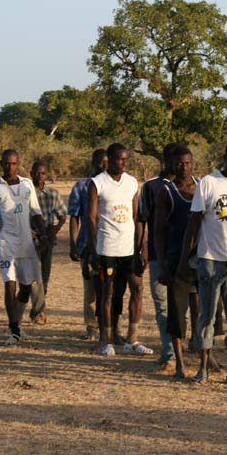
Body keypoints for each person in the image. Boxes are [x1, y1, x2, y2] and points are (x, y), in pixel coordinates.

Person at [180, 140, 227, 384]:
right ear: (225, 156)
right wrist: (186, 256)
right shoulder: (208, 182)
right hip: (210, 258)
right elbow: (195, 221)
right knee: (207, 315)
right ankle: (203, 368)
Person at [87, 143, 151, 356]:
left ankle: (132, 338)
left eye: (126, 160)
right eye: (120, 159)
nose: (123, 164)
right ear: (110, 159)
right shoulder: (97, 183)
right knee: (108, 293)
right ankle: (105, 338)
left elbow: (136, 216)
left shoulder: (132, 182)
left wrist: (141, 247)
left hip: (129, 248)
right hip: (107, 248)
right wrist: (94, 249)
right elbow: (91, 217)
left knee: (137, 289)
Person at [0, 149, 47, 345]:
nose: (9, 167)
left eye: (13, 164)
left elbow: (36, 212)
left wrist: (44, 235)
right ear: (0, 163)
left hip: (26, 243)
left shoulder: (27, 184)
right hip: (6, 243)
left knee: (27, 287)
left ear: (18, 164)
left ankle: (17, 324)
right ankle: (13, 328)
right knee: (9, 284)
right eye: (6, 163)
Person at [68, 149, 128, 341]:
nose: (104, 165)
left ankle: (113, 328)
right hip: (89, 244)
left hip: (114, 245)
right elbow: (75, 217)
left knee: (113, 290)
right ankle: (92, 328)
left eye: (106, 161)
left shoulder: (120, 184)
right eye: (100, 162)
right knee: (91, 288)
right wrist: (74, 243)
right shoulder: (83, 186)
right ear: (94, 163)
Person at [154, 147, 199, 379]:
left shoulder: (203, 187)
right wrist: (162, 265)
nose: (184, 167)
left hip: (200, 259)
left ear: (193, 163)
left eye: (188, 163)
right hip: (175, 260)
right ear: (171, 164)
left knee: (201, 311)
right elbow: (159, 231)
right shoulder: (166, 192)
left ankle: (205, 357)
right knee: (177, 314)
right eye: (179, 163)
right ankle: (179, 363)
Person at [138, 143, 180, 369]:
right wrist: (142, 249)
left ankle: (189, 350)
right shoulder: (151, 187)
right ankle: (169, 352)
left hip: (184, 256)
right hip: (158, 255)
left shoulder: (193, 186)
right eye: (176, 160)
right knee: (162, 305)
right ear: (165, 160)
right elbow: (143, 220)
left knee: (184, 306)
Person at [30, 161, 67, 324]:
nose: (40, 176)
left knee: (45, 276)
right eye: (37, 173)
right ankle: (39, 312)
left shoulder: (52, 194)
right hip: (31, 238)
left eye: (43, 173)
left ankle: (37, 309)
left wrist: (56, 229)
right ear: (31, 174)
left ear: (47, 175)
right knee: (34, 276)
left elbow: (63, 215)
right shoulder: (25, 194)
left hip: (48, 239)